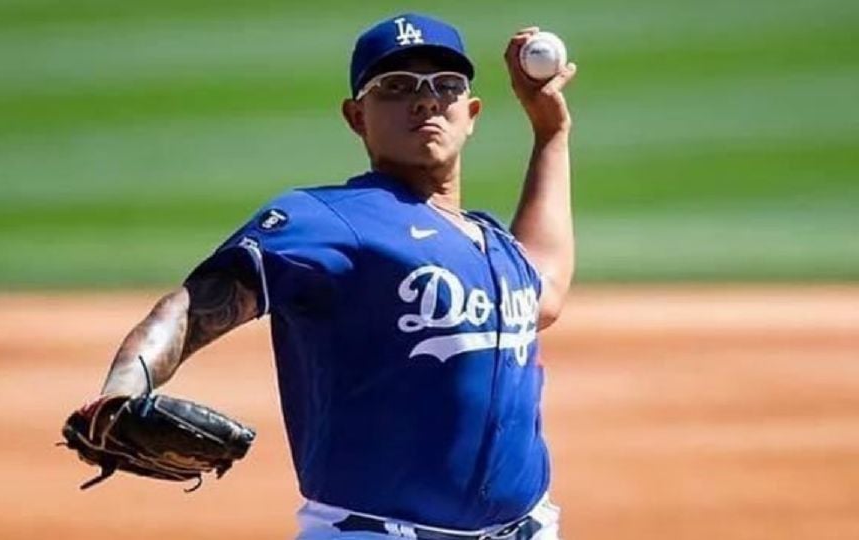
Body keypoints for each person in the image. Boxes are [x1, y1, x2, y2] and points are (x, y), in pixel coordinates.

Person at [94, 12, 577, 540]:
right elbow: (190, 308)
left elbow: (544, 291)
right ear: (356, 116)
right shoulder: (324, 218)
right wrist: (120, 392)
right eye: (395, 87)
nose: (426, 99)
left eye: (446, 85)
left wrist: (551, 132)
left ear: (472, 112)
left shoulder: (492, 244)